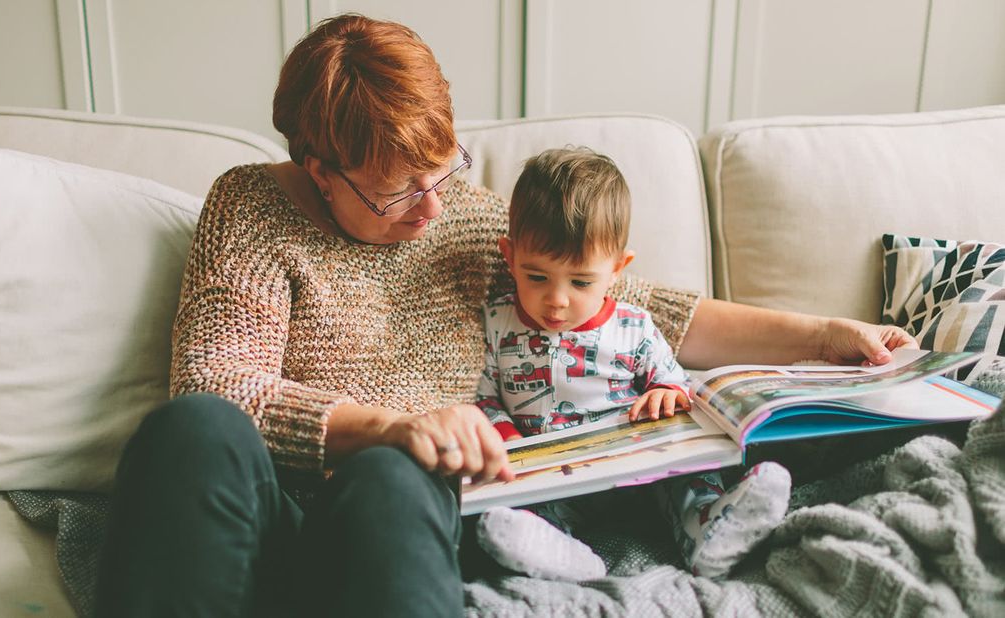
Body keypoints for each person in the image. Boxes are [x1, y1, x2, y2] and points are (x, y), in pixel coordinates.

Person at [92, 13, 915, 618]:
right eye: (393, 190)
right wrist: (390, 425)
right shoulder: (252, 208)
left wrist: (825, 335)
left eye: (441, 172)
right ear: (320, 168)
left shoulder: (470, 218)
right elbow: (222, 384)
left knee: (396, 477)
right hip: (269, 517)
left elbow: (641, 310)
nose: (427, 208)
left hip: (400, 523)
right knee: (192, 428)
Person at [472, 147, 791, 581]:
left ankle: (709, 531)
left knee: (692, 474)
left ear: (618, 269)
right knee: (515, 507)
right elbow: (483, 396)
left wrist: (665, 393)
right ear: (509, 257)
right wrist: (504, 434)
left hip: (644, 472)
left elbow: (675, 380)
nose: (558, 299)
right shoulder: (496, 324)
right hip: (554, 477)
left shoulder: (633, 327)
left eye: (581, 281)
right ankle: (564, 558)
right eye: (537, 276)